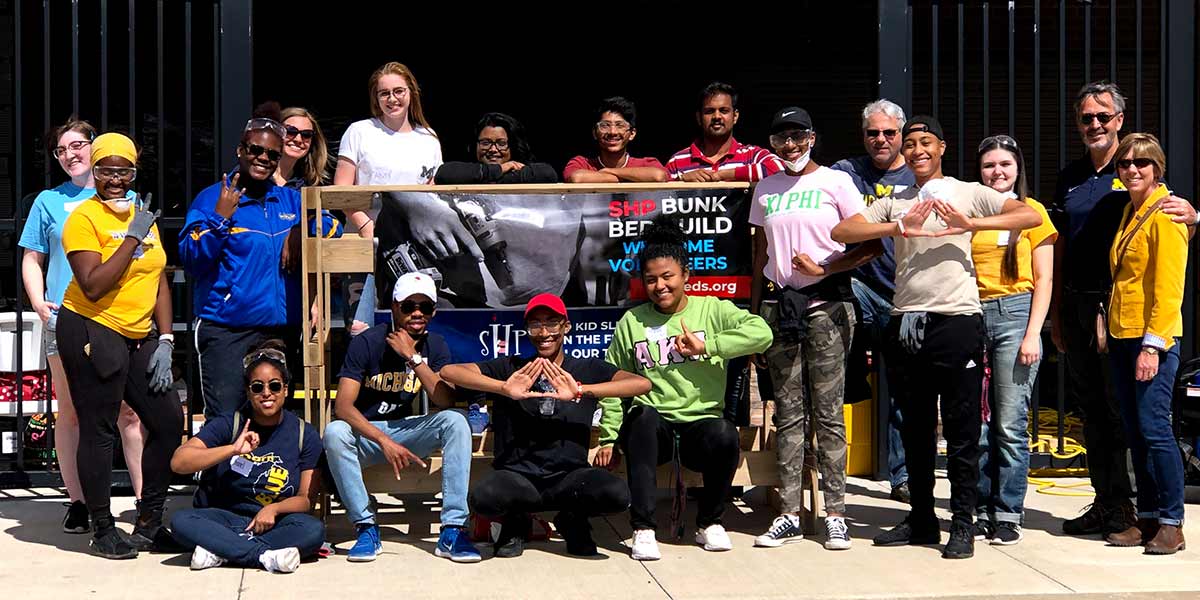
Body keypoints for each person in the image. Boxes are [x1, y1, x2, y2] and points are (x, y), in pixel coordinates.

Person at [831, 116, 1042, 559]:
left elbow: (1027, 213)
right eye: (910, 144)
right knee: (916, 427)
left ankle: (962, 523)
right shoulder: (896, 200)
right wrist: (896, 227)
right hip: (908, 320)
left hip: (958, 320)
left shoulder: (968, 190)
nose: (916, 150)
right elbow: (843, 231)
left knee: (964, 429)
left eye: (925, 142)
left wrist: (969, 223)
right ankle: (922, 519)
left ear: (942, 147)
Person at [602, 217, 773, 560]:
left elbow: (763, 333)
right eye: (651, 279)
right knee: (642, 419)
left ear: (686, 276)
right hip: (656, 430)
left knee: (725, 433)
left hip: (701, 425)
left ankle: (709, 523)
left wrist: (708, 347)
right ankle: (644, 529)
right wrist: (607, 436)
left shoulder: (713, 309)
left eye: (668, 277)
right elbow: (614, 381)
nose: (660, 286)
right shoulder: (632, 321)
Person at [748, 107, 880, 551]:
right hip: (780, 308)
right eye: (781, 137)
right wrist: (754, 313)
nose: (790, 145)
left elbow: (869, 247)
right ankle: (788, 512)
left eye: (798, 136)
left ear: (812, 138)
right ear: (772, 143)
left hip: (828, 306)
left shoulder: (837, 182)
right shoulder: (765, 188)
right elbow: (760, 251)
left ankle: (836, 514)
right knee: (787, 413)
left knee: (827, 412)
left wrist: (824, 267)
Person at [442, 294, 648, 558]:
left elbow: (640, 383)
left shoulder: (584, 368)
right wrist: (504, 388)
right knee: (484, 497)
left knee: (617, 494)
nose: (543, 333)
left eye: (552, 323)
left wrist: (581, 390)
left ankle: (572, 519)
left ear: (566, 326)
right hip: (518, 477)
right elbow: (450, 371)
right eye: (535, 325)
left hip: (569, 477)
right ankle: (516, 521)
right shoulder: (513, 367)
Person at [56, 132, 182, 559]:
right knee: (100, 427)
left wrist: (165, 338)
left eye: (123, 170)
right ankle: (102, 527)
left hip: (139, 332)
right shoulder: (84, 218)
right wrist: (131, 237)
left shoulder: (141, 212)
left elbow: (158, 276)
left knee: (167, 422)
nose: (114, 179)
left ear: (134, 171)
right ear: (94, 171)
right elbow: (92, 285)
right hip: (92, 327)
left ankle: (149, 522)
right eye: (106, 170)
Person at [19, 118, 146, 534]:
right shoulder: (48, 202)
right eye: (62, 149)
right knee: (71, 413)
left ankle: (146, 500)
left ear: (95, 147)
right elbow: (32, 259)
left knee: (129, 412)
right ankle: (78, 501)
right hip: (66, 321)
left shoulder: (124, 197)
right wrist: (39, 303)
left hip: (121, 320)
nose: (71, 154)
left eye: (78, 145)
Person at [180, 112, 341, 417]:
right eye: (255, 150)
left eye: (272, 154)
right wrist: (219, 219)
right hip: (228, 329)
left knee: (274, 421)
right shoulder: (212, 198)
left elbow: (333, 227)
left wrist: (300, 228)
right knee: (228, 423)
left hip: (281, 330)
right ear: (241, 150)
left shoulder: (289, 200)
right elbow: (192, 260)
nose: (263, 158)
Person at [323, 273, 480, 563]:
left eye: (425, 307)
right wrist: (383, 440)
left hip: (408, 432)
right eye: (408, 306)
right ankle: (366, 528)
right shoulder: (367, 342)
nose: (417, 313)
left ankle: (453, 529)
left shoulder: (436, 345)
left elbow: (444, 400)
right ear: (394, 307)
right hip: (370, 436)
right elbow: (343, 407)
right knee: (334, 432)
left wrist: (413, 358)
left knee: (456, 420)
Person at [169, 341, 325, 573]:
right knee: (181, 521)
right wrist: (232, 449)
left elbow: (305, 500)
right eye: (257, 387)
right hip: (226, 519)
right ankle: (264, 556)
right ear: (247, 392)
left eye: (274, 385)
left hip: (275, 523)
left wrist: (274, 509)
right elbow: (179, 462)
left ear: (285, 389)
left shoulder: (305, 434)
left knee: (313, 530)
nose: (266, 394)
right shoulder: (229, 424)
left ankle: (222, 551)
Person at [1102, 134, 1188, 555]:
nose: (1132, 169)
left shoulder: (1167, 214)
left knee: (1156, 430)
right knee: (1136, 432)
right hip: (1122, 333)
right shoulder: (1130, 212)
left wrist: (1153, 346)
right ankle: (1149, 516)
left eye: (1141, 163)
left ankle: (1173, 521)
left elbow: (1169, 288)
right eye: (1124, 163)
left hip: (1152, 336)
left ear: (1158, 168)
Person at [970, 135, 1058, 545]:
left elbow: (1045, 279)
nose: (997, 172)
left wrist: (1033, 333)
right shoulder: (969, 210)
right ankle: (979, 507)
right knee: (977, 424)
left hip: (1016, 314)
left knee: (1008, 422)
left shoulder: (1033, 212)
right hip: (971, 314)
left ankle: (1007, 511)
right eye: (989, 165)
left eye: (1005, 164)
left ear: (1018, 167)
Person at [831, 99, 917, 503]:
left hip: (905, 294)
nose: (880, 139)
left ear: (901, 134)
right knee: (832, 310)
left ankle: (903, 476)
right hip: (860, 287)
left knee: (906, 390)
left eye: (889, 133)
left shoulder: (918, 174)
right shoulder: (845, 173)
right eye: (872, 133)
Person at [334, 61, 444, 335]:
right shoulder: (359, 131)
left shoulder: (428, 138)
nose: (392, 99)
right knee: (361, 330)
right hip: (365, 244)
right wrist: (365, 226)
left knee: (411, 327)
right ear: (376, 98)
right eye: (384, 93)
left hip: (412, 251)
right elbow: (341, 189)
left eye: (398, 91)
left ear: (411, 93)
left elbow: (432, 196)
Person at [665, 82, 783, 183]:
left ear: (735, 116)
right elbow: (658, 196)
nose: (717, 116)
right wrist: (681, 180)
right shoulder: (677, 161)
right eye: (709, 111)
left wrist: (721, 175)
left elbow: (781, 168)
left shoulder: (751, 156)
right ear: (699, 118)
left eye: (724, 111)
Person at [563, 97, 668, 183]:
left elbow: (659, 176)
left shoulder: (647, 163)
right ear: (594, 133)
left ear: (632, 134)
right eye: (605, 125)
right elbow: (576, 178)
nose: (613, 132)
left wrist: (608, 171)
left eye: (620, 125)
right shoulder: (581, 163)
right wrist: (627, 178)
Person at [434, 112, 558, 184]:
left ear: (513, 146)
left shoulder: (522, 169)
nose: (493, 149)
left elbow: (548, 174)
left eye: (501, 143)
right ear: (475, 145)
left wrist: (494, 179)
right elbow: (443, 174)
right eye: (485, 143)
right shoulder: (467, 170)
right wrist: (498, 169)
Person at [277, 106, 331, 187]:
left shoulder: (309, 185)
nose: (298, 139)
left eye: (306, 134)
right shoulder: (257, 178)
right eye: (291, 131)